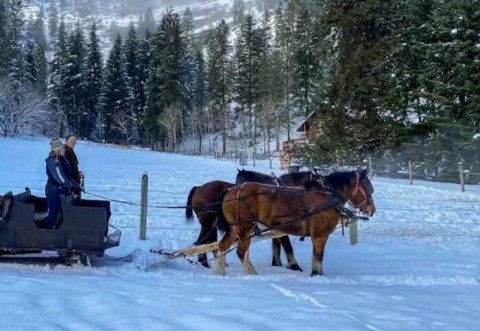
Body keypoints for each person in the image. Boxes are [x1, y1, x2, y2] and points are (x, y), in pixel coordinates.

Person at [45, 138, 80, 229]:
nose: (64, 150)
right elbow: (59, 176)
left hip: (61, 189)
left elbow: (67, 175)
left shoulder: (62, 159)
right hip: (54, 189)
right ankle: (48, 232)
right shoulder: (53, 161)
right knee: (54, 210)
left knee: (61, 211)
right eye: (62, 149)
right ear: (58, 149)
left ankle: (57, 230)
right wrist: (70, 186)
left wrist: (75, 185)